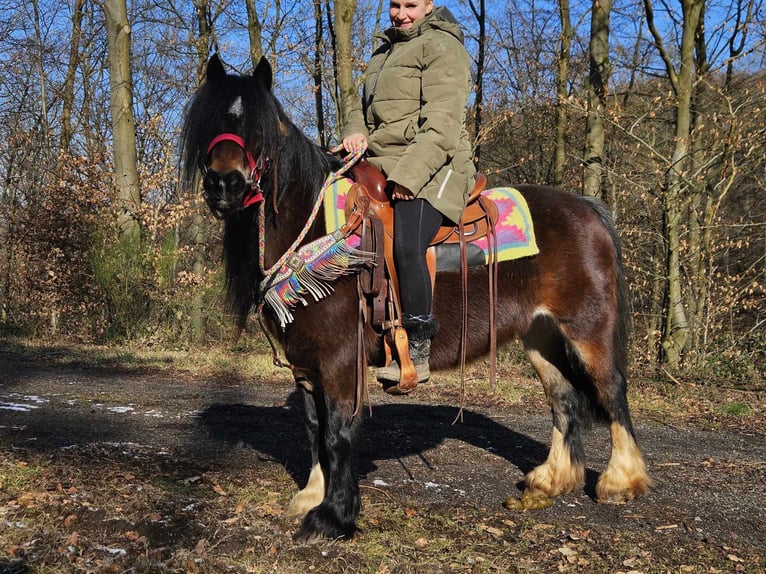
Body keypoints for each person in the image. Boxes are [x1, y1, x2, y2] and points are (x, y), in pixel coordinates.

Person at [341, 0, 475, 385]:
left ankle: (417, 346)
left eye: (411, 5)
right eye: (395, 5)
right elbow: (358, 108)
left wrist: (409, 177)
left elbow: (442, 126)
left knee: (406, 242)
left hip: (438, 164)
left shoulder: (443, 47)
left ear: (429, 5)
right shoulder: (383, 51)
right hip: (381, 160)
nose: (401, 13)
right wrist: (355, 132)